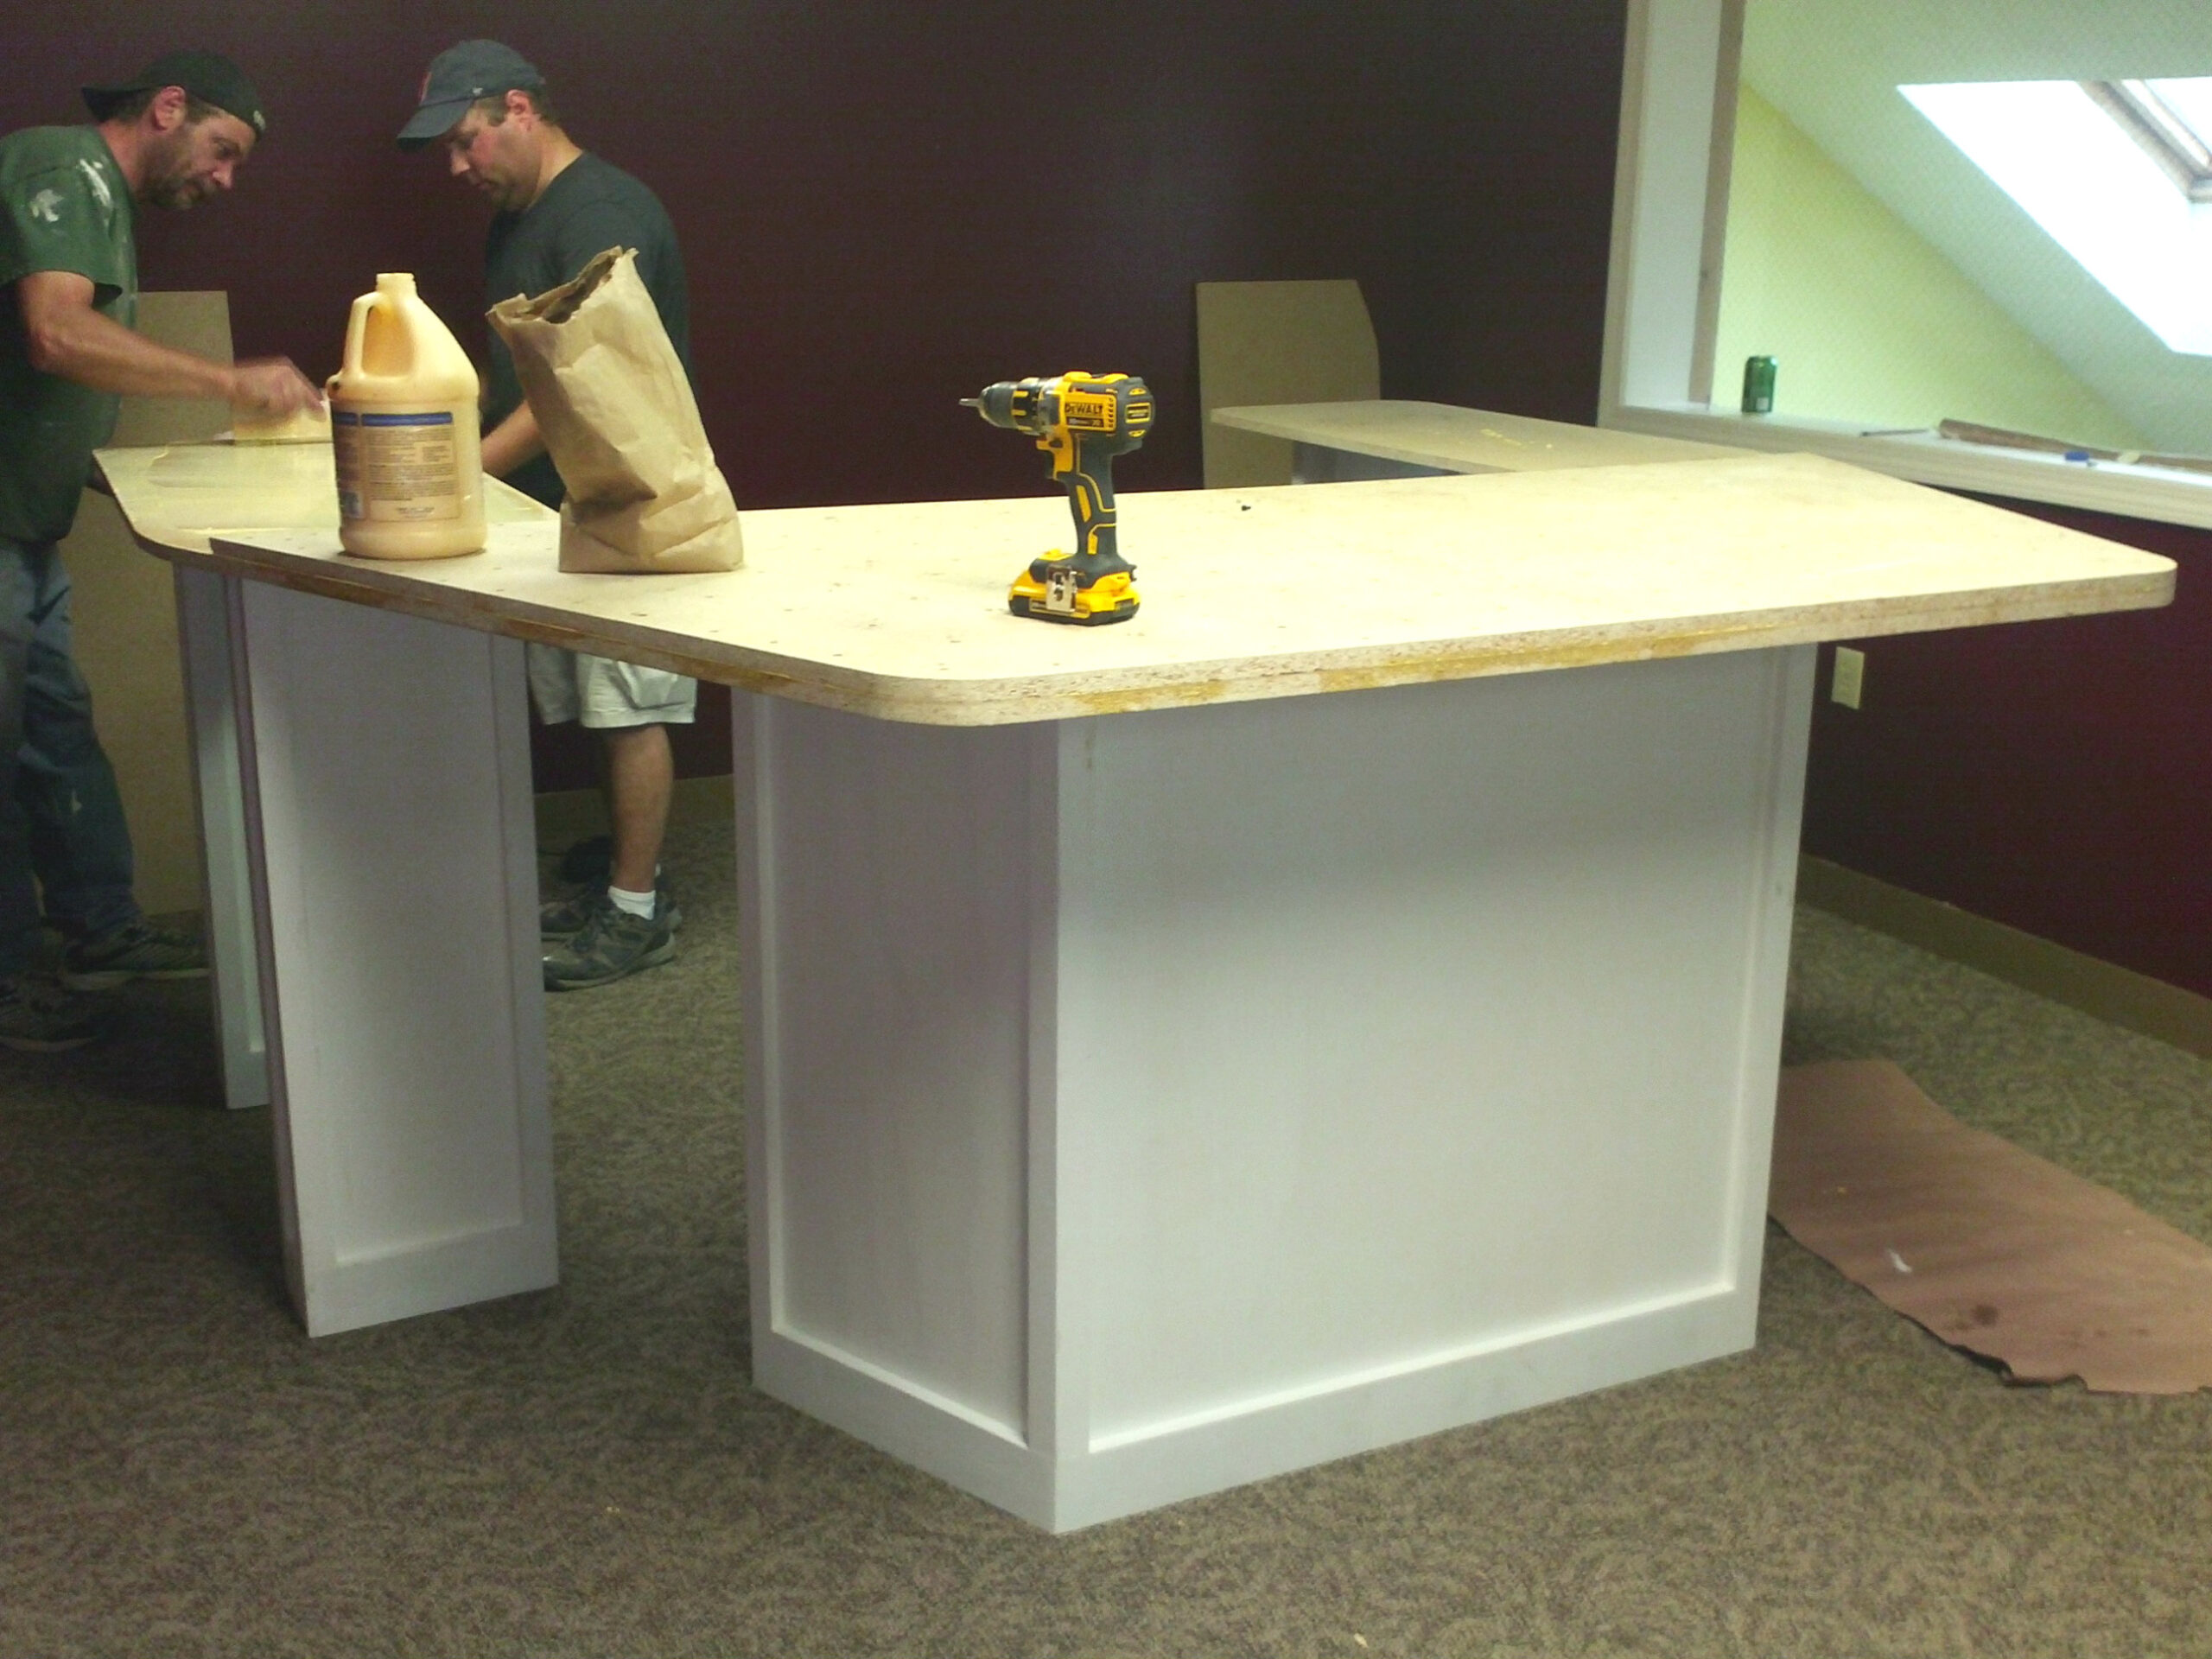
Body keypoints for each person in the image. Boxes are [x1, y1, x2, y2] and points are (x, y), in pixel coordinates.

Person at [1, 51, 321, 1052]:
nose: (223, 179)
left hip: (26, 528)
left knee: (55, 731)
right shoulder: (63, 169)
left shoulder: (106, 207)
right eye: (223, 151)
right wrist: (230, 383)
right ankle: (12, 984)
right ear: (168, 109)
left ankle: (102, 932)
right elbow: (56, 335)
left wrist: (114, 471)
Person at [399, 41, 692, 993]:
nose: (457, 166)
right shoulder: (521, 217)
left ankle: (638, 913)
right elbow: (522, 372)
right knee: (593, 704)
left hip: (632, 499)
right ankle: (623, 876)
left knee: (629, 707)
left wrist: (458, 475)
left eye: (465, 141)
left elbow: (583, 380)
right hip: (565, 498)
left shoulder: (600, 212)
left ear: (518, 109)